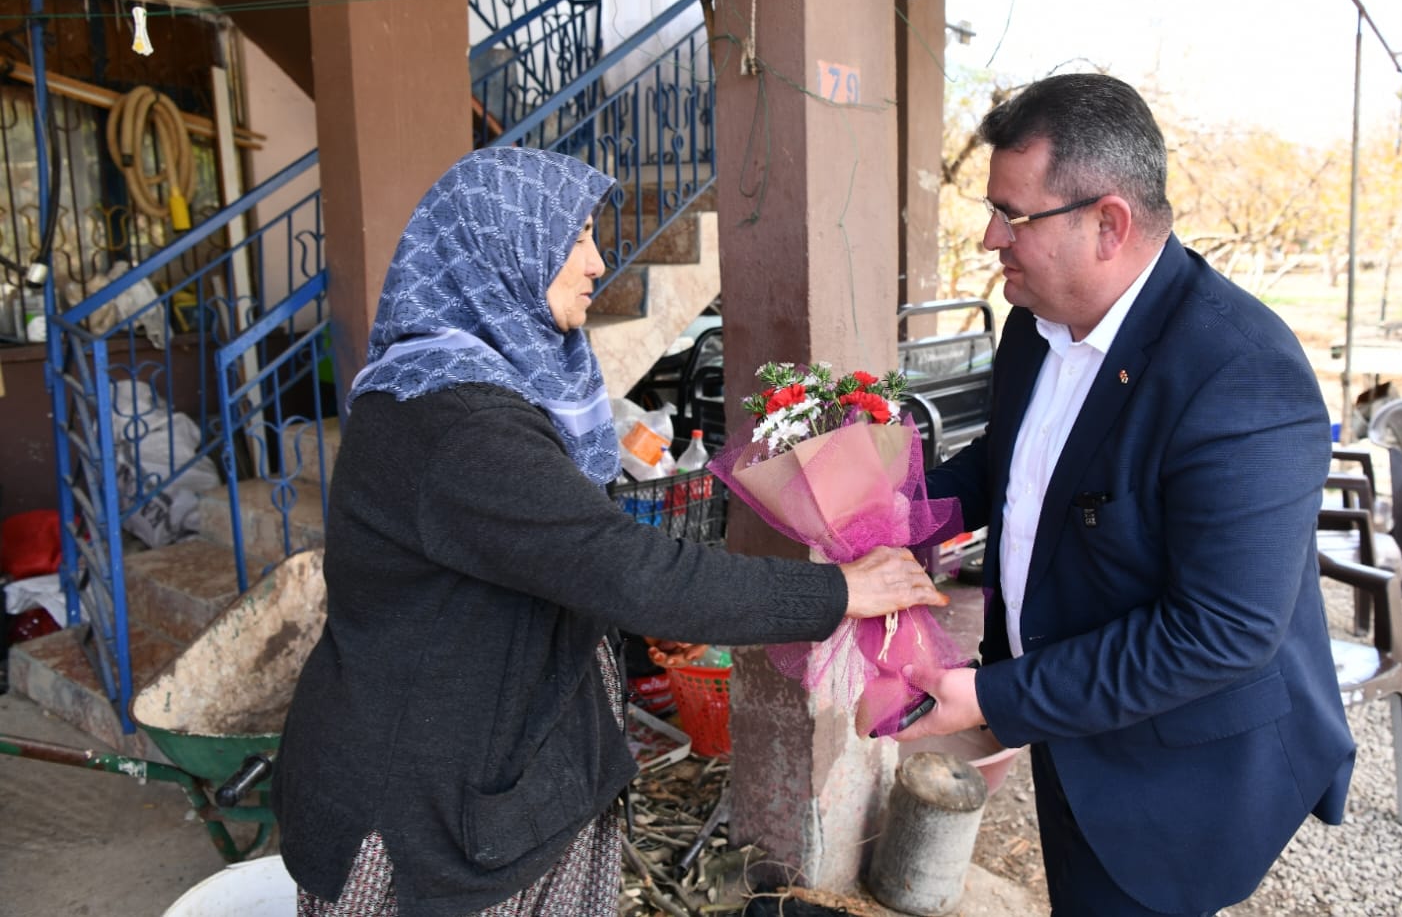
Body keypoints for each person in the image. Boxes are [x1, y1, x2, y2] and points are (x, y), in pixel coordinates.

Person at [271, 146, 945, 917]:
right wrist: (839, 590)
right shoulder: (453, 420)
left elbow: (562, 553)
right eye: (574, 236)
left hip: (494, 775)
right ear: (500, 243)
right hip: (428, 813)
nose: (597, 261)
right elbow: (627, 569)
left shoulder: (485, 388)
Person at [897, 74, 1356, 916]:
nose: (989, 237)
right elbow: (1010, 464)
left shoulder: (1238, 369)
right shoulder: (1033, 323)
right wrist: (892, 517)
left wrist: (998, 699)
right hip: (1069, 715)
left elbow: (1224, 629)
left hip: (1176, 766)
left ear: (1107, 223)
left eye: (1013, 214)